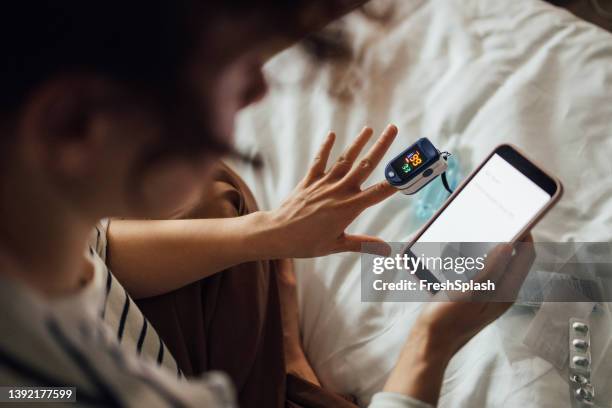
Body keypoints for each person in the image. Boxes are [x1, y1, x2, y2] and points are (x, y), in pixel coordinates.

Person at [0, 1, 535, 407]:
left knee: (215, 188)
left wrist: (269, 232)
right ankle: (294, 383)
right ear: (72, 124)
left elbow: (100, 253)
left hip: (125, 336)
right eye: (229, 67)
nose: (259, 90)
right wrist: (432, 340)